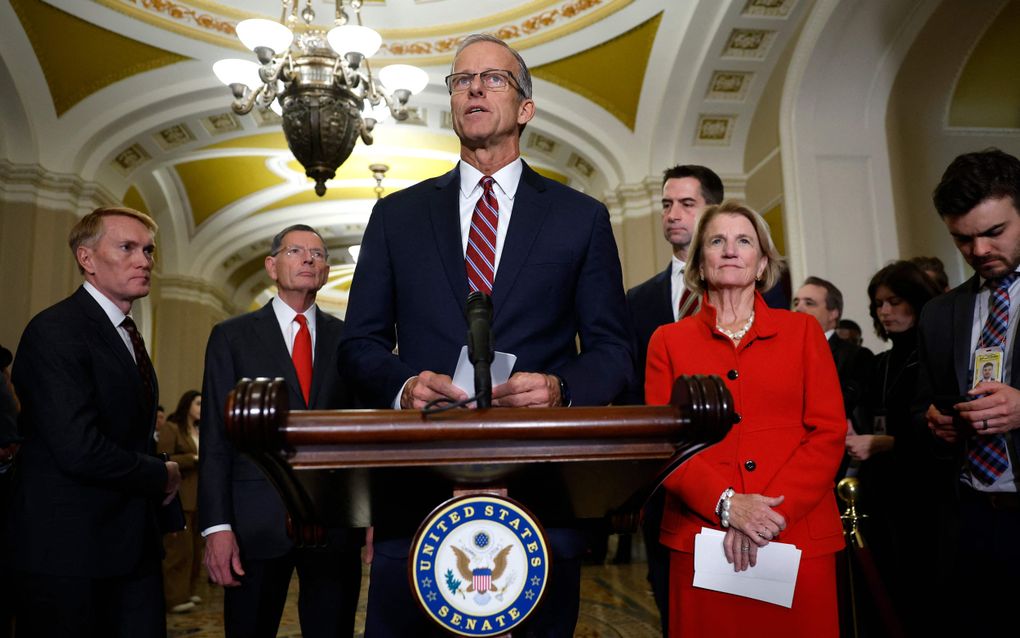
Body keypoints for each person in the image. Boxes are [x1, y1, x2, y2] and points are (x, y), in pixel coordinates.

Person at [339, 33, 633, 636]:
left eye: (493, 78)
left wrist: (561, 389)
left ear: (525, 108)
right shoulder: (396, 217)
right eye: (460, 79)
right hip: (420, 494)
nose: (473, 87)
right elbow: (359, 345)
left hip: (540, 496)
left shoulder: (581, 218)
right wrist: (403, 387)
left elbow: (613, 351)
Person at [645, 200, 846, 636]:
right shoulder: (667, 341)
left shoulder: (803, 333)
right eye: (717, 241)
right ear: (699, 262)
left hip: (797, 535)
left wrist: (767, 515)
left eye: (744, 241)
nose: (731, 250)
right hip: (702, 538)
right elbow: (664, 442)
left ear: (762, 263)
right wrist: (728, 505)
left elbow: (827, 432)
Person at [7, 206, 181, 637]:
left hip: (128, 547)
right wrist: (160, 473)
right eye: (127, 247)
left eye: (148, 249)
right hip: (70, 554)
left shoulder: (125, 332)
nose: (144, 260)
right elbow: (78, 448)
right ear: (87, 258)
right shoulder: (57, 330)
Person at [199, 224, 361, 638]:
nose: (309, 259)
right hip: (255, 521)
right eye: (296, 251)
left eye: (319, 254)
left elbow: (360, 432)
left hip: (334, 521)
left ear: (325, 273)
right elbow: (217, 437)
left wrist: (370, 516)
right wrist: (217, 527)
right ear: (272, 265)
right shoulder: (231, 336)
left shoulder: (348, 341)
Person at [920, 148, 1020, 631]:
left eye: (994, 232)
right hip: (969, 522)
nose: (978, 251)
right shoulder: (940, 314)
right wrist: (935, 424)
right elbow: (927, 404)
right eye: (963, 239)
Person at [620, 163, 722, 633]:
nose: (672, 215)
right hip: (665, 477)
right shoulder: (637, 301)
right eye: (666, 204)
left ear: (714, 212)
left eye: (687, 203)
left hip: (738, 470)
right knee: (674, 604)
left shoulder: (753, 286)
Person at [850, 261, 940, 634]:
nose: (885, 312)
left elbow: (941, 435)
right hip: (880, 490)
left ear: (918, 302)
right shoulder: (881, 363)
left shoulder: (935, 359)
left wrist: (886, 443)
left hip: (923, 493)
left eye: (895, 301)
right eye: (878, 305)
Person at [793, 276, 874, 469]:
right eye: (796, 302)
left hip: (834, 459)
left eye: (809, 303)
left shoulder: (856, 355)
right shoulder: (782, 354)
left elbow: (841, 404)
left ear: (833, 313)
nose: (798, 308)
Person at [158, 389, 203, 613]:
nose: (201, 408)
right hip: (180, 496)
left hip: (199, 499)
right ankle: (174, 597)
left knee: (195, 551)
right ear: (187, 405)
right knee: (178, 551)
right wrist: (192, 458)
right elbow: (163, 459)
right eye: (198, 403)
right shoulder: (172, 428)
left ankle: (188, 591)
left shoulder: (199, 431)